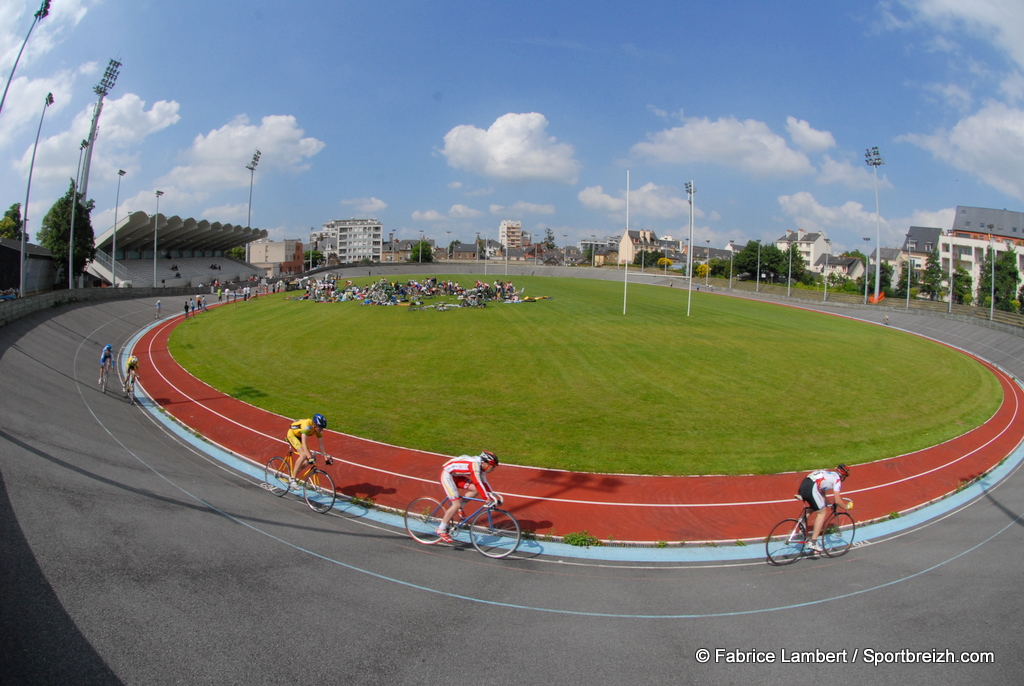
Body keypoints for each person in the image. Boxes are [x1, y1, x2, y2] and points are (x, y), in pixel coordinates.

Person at [435, 451, 501, 543]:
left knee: (476, 490)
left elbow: (484, 483)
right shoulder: (474, 466)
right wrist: (486, 499)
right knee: (456, 504)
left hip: (456, 476)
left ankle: (460, 506)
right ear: (485, 464)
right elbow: (478, 483)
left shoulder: (481, 467)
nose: (493, 469)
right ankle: (441, 529)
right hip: (447, 475)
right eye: (492, 467)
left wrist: (492, 495)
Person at [799, 464, 851, 553]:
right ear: (843, 476)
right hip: (811, 488)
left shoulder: (829, 474)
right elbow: (838, 500)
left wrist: (829, 504)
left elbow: (822, 493)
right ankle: (813, 542)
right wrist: (846, 507)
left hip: (804, 486)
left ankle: (802, 521)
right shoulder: (837, 480)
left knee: (816, 506)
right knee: (822, 512)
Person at [286, 414, 328, 486]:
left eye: (322, 428)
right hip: (292, 434)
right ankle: (292, 479)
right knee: (304, 455)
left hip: (300, 436)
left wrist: (326, 457)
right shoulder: (307, 426)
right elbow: (304, 443)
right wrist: (309, 457)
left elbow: (321, 444)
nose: (321, 430)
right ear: (314, 424)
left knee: (308, 460)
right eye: (320, 427)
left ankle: (293, 474)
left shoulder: (318, 430)